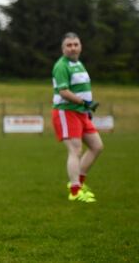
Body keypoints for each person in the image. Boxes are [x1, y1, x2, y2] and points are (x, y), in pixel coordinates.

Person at [51, 32, 104, 203]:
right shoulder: (61, 66)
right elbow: (64, 92)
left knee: (97, 146)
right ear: (63, 48)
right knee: (75, 150)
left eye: (76, 44)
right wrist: (85, 103)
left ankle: (78, 183)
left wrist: (85, 108)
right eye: (69, 45)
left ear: (80, 46)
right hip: (66, 111)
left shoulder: (79, 64)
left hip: (81, 112)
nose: (73, 48)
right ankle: (74, 191)